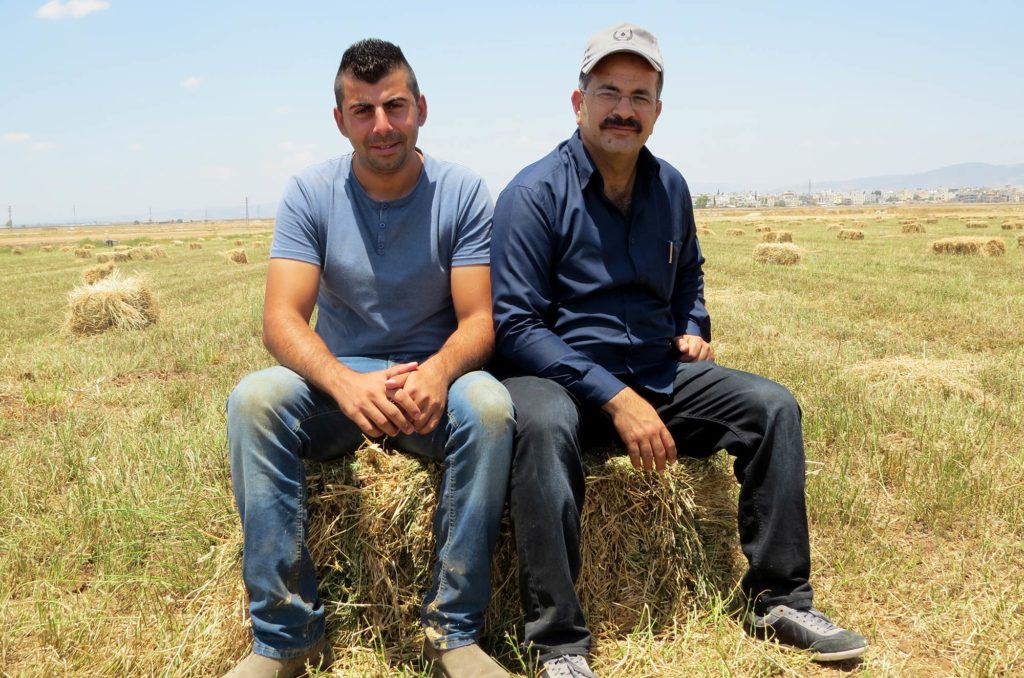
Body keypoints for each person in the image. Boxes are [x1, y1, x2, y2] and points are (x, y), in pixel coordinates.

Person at [490, 23, 868, 677]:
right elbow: (516, 326)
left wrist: (695, 323)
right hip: (560, 379)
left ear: (658, 112)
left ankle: (778, 601)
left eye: (640, 96)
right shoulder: (533, 195)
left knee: (772, 408)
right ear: (577, 102)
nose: (623, 109)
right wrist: (614, 396)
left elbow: (688, 273)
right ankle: (559, 643)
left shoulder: (670, 189)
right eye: (608, 91)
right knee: (543, 422)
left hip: (658, 371)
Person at [225, 38, 514, 678]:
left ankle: (454, 634)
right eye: (363, 111)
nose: (381, 126)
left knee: (491, 406)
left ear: (421, 109)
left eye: (395, 106)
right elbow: (281, 318)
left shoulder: (463, 191)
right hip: (338, 385)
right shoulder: (309, 191)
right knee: (253, 399)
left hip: (429, 384)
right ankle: (285, 637)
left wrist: (439, 372)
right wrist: (344, 382)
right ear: (340, 120)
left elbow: (479, 320)